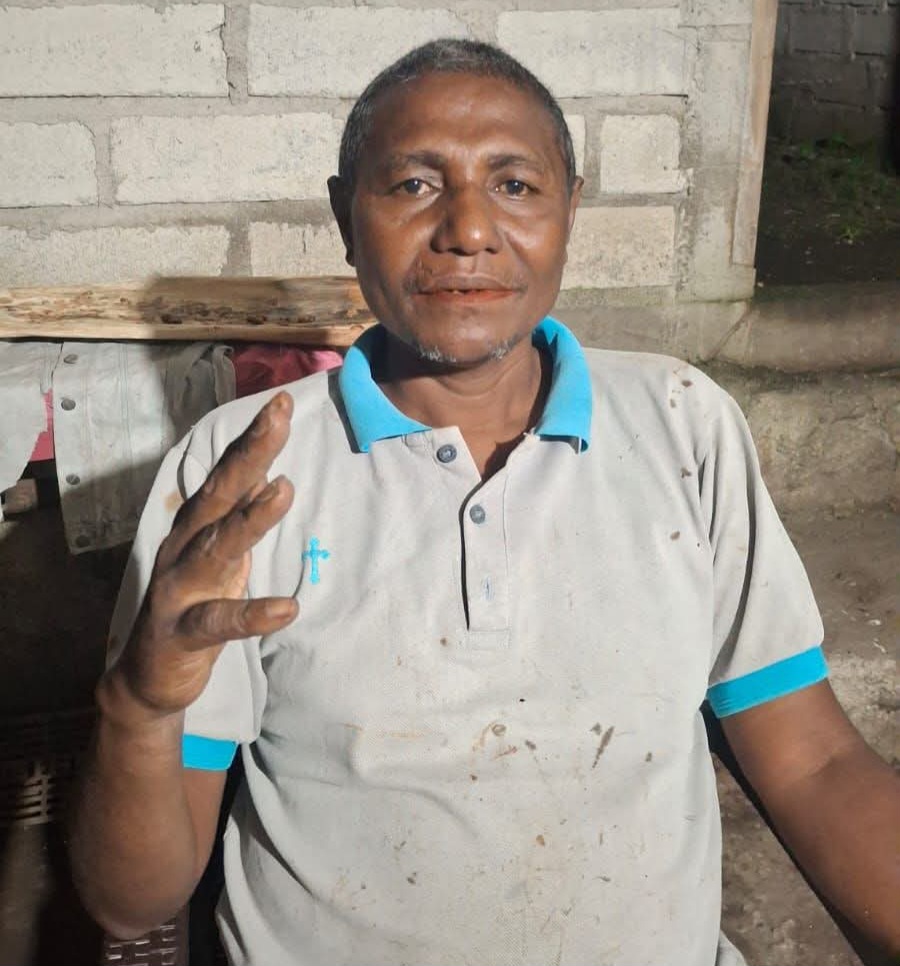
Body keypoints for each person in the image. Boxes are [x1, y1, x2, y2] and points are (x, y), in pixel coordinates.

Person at [68, 39, 900, 966]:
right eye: (414, 184)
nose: (468, 229)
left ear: (569, 210)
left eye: (514, 185)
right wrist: (138, 711)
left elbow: (815, 762)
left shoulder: (680, 424)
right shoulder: (241, 472)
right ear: (346, 217)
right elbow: (129, 903)